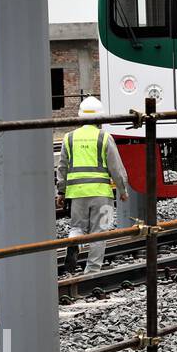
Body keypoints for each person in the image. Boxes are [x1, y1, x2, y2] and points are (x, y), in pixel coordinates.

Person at [56, 96, 130, 275]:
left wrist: (61, 191)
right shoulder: (105, 138)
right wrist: (122, 190)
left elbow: (62, 166)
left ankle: (74, 242)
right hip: (101, 194)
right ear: (100, 117)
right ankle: (92, 270)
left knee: (77, 228)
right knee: (100, 231)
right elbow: (116, 168)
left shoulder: (69, 138)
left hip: (77, 194)